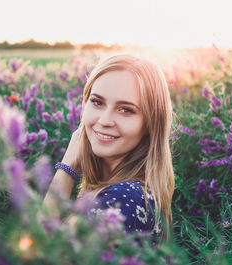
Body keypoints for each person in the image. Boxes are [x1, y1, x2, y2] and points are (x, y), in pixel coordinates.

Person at [43, 53, 175, 239]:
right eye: (97, 102)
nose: (105, 120)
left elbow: (35, 251)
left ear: (150, 124)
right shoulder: (129, 191)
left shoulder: (121, 199)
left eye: (126, 110)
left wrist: (67, 168)